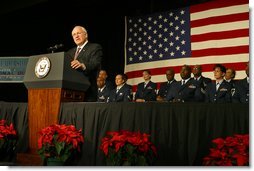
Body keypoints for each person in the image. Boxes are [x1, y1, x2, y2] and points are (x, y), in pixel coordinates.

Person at [66, 25, 103, 102]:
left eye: (78, 33)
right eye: (74, 34)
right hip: (71, 91)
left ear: (86, 35)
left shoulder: (94, 47)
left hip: (88, 91)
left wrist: (83, 65)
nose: (76, 36)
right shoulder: (69, 52)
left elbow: (95, 63)